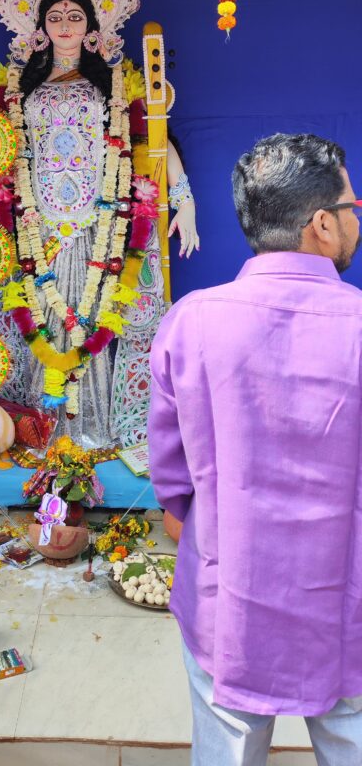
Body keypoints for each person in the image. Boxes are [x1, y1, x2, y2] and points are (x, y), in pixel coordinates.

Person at [148, 132, 362, 766]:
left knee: (227, 748)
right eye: (352, 208)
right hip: (346, 601)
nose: (355, 220)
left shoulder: (192, 320)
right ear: (322, 225)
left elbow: (172, 486)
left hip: (229, 604)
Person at [0, 0, 199, 449]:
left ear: (94, 24)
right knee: (39, 316)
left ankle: (95, 436)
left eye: (75, 16)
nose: (65, 26)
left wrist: (184, 201)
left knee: (97, 317)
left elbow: (154, 146)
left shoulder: (118, 85)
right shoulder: (17, 89)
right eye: (55, 17)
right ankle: (40, 438)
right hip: (36, 225)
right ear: (39, 25)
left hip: (102, 221)